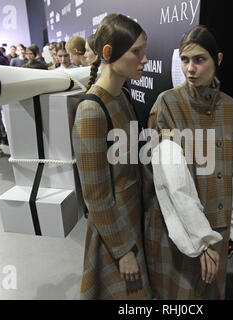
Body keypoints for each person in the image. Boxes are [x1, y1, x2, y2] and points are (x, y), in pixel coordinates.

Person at [144, 25, 233, 300]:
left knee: (213, 292)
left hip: (220, 223)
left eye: (200, 59)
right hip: (182, 227)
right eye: (185, 60)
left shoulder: (230, 107)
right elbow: (172, 181)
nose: (190, 68)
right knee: (182, 296)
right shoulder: (167, 104)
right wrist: (200, 239)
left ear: (218, 60)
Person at [71, 13, 151, 299]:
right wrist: (123, 251)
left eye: (144, 51)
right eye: (136, 52)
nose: (143, 60)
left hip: (133, 223)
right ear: (108, 53)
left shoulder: (123, 96)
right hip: (114, 235)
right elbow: (96, 195)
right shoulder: (92, 111)